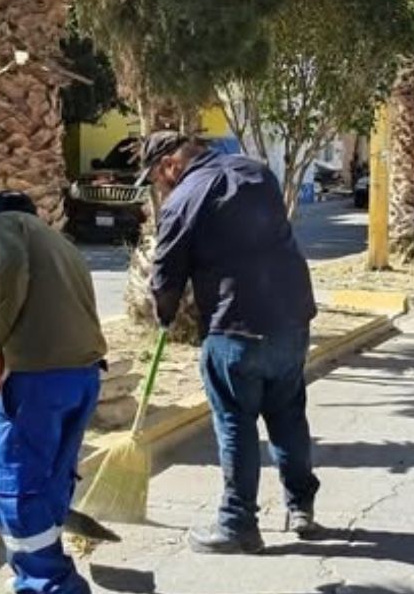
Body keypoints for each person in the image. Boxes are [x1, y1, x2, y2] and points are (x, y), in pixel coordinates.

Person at [139, 131, 321, 555]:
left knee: (236, 421)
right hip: (291, 319)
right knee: (288, 413)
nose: (160, 189)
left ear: (169, 165)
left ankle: (238, 523)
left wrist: (165, 315)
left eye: (156, 180)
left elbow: (166, 273)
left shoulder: (183, 198)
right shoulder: (256, 171)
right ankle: (301, 507)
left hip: (235, 325)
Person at [0, 190, 108, 594]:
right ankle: (46, 569)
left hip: (40, 383)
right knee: (52, 477)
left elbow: (13, 269)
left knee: (15, 482)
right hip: (82, 376)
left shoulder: (6, 223)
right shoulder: (61, 245)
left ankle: (48, 582)